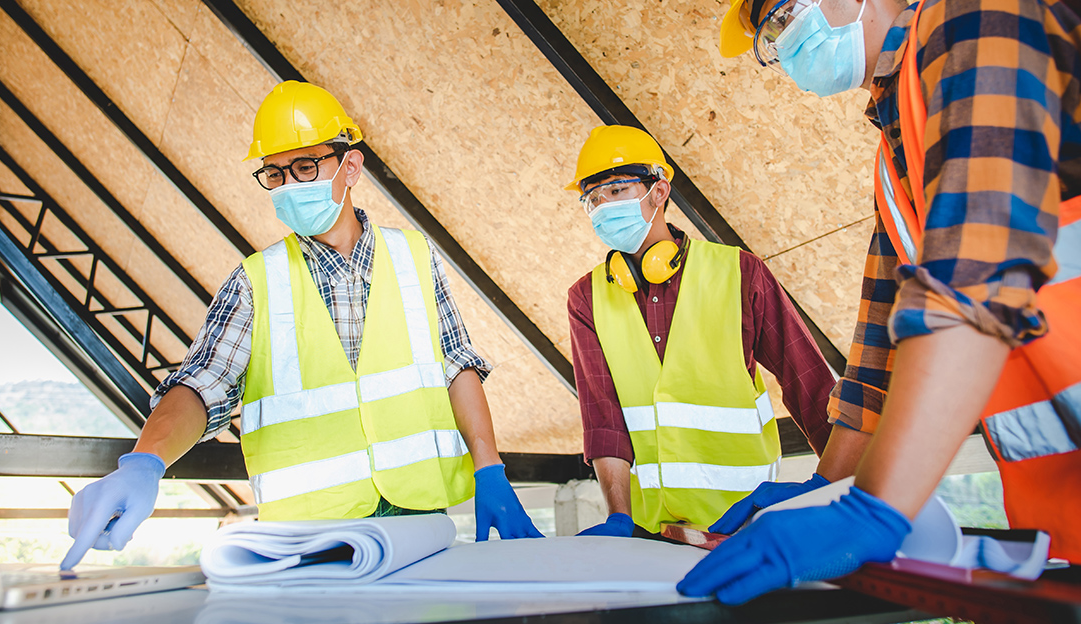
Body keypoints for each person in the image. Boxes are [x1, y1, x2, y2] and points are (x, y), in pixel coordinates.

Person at [679, 0, 1081, 603]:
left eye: (781, 17)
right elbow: (876, 367)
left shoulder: (976, 20)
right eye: (772, 42)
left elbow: (975, 273)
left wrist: (873, 510)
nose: (783, 48)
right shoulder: (898, 153)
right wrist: (818, 489)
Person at [61, 81, 542, 569]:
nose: (289, 184)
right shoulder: (255, 281)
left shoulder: (414, 256)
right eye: (274, 173)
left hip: (418, 516)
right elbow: (203, 383)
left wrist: (489, 470)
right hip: (306, 539)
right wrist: (145, 462)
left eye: (305, 166)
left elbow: (456, 366)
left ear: (350, 166)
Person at [564, 124, 837, 538]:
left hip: (747, 522)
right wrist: (618, 516)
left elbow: (811, 386)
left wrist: (842, 490)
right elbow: (603, 421)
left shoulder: (741, 273)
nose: (603, 207)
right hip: (651, 531)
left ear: (660, 191)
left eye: (616, 190)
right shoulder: (587, 297)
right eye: (592, 198)